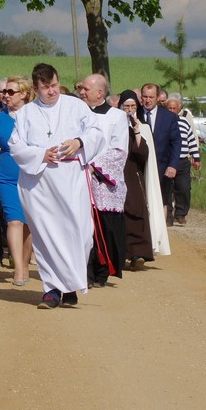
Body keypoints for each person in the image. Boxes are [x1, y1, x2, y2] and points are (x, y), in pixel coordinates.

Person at [8, 63, 106, 308]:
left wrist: (79, 141)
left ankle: (71, 284)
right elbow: (16, 147)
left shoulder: (76, 106)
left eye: (54, 85)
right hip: (39, 183)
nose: (51, 91)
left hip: (71, 177)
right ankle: (52, 290)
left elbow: (96, 131)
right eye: (45, 88)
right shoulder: (25, 114)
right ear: (36, 88)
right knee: (47, 235)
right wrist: (41, 154)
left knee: (80, 234)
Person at [0, 75, 33, 285]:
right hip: (6, 177)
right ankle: (19, 268)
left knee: (29, 223)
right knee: (13, 221)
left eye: (11, 92)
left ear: (24, 94)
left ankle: (24, 262)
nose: (5, 95)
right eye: (4, 92)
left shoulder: (35, 116)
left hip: (32, 176)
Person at [81, 73, 128, 287]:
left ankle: (101, 271)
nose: (81, 92)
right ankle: (83, 271)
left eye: (86, 89)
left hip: (102, 181)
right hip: (77, 177)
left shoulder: (116, 117)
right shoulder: (76, 113)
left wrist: (93, 166)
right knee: (82, 227)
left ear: (100, 93)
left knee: (104, 228)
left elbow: (119, 150)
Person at [119, 90, 171, 268]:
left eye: (133, 106)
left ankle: (137, 253)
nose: (130, 110)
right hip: (117, 175)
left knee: (136, 212)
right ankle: (120, 253)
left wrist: (137, 131)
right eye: (126, 106)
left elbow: (143, 154)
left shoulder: (144, 128)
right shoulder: (114, 126)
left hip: (134, 176)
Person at [139, 83, 181, 241]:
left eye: (151, 97)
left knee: (162, 199)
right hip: (139, 166)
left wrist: (172, 165)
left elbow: (176, 142)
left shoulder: (169, 117)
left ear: (158, 98)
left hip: (162, 166)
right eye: (145, 97)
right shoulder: (135, 114)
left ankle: (159, 235)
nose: (148, 100)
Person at [173, 104, 201, 226]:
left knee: (184, 188)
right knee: (167, 190)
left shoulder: (184, 122)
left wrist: (196, 157)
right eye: (169, 108)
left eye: (174, 108)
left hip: (183, 160)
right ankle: (167, 215)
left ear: (179, 110)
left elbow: (192, 140)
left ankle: (180, 214)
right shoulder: (163, 122)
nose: (172, 111)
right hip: (167, 161)